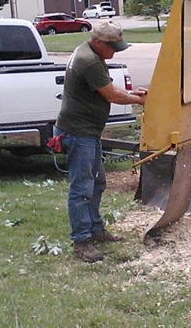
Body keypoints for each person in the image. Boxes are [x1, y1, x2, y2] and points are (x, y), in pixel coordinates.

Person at [54, 20, 147, 263]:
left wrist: (132, 94)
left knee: (97, 184)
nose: (115, 52)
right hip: (78, 132)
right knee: (82, 188)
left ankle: (95, 229)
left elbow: (106, 87)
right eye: (113, 47)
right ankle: (81, 240)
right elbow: (112, 95)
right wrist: (138, 101)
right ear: (98, 42)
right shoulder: (88, 60)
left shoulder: (91, 53)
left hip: (89, 132)